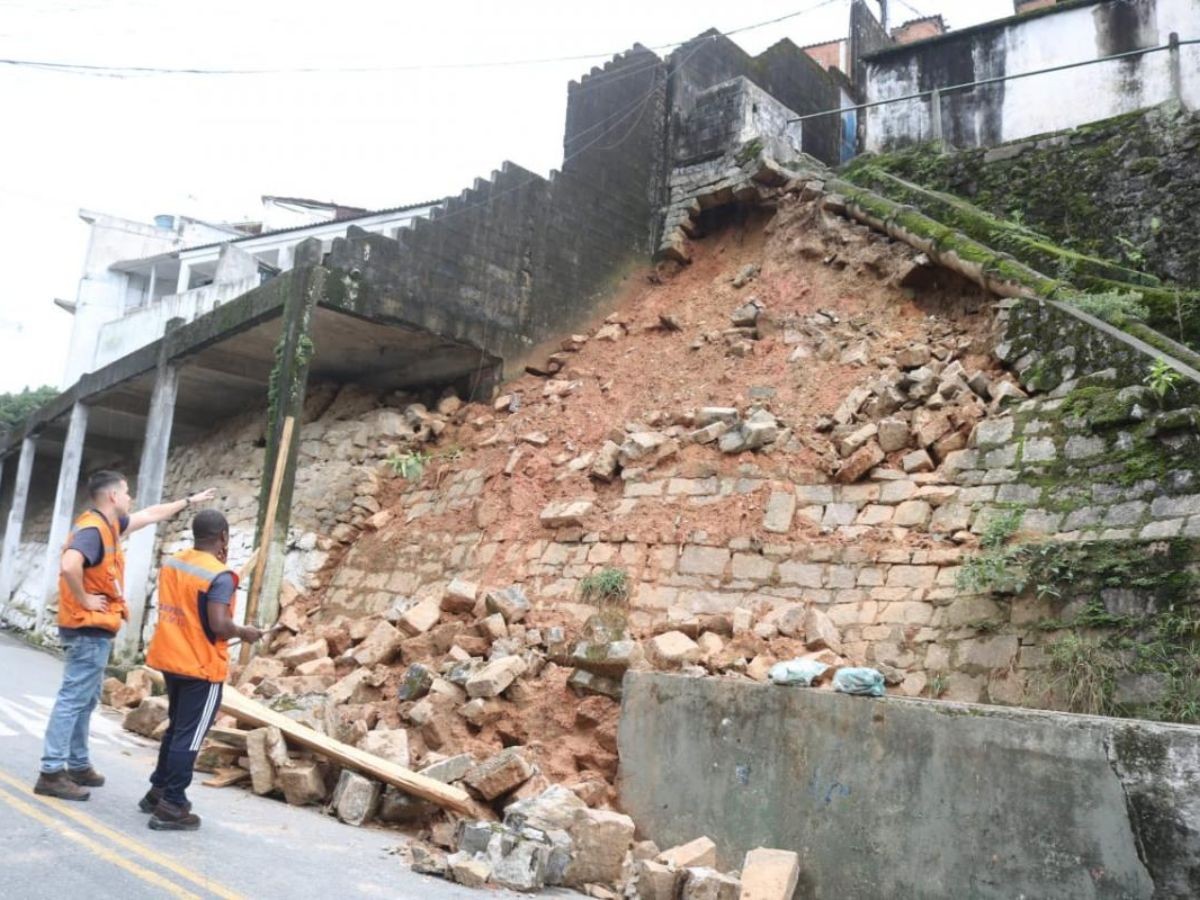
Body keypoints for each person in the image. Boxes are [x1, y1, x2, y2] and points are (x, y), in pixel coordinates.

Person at [34, 470, 216, 802]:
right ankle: (51, 771)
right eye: (127, 492)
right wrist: (85, 598)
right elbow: (70, 565)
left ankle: (76, 764)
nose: (131, 498)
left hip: (92, 628)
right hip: (86, 628)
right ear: (113, 497)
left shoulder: (107, 526)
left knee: (85, 700)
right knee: (74, 699)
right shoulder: (92, 531)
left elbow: (149, 516)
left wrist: (189, 501)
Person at [141, 509, 262, 831]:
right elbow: (219, 625)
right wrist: (244, 632)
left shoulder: (175, 562)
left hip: (170, 657)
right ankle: (173, 805)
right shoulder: (219, 575)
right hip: (200, 666)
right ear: (223, 536)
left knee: (177, 728)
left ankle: (157, 791)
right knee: (190, 736)